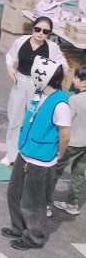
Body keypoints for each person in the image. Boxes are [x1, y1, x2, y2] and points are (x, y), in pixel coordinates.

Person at [4, 56, 70, 250]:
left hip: (41, 159)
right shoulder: (38, 93)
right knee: (14, 193)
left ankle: (34, 237)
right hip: (26, 151)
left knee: (32, 201)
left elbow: (65, 134)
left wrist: (59, 153)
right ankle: (18, 227)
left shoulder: (60, 103)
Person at [2, 16, 65, 165]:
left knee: (33, 120)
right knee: (14, 119)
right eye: (38, 29)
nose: (40, 33)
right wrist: (10, 68)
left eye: (45, 31)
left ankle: (27, 154)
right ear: (33, 28)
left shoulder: (52, 47)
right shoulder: (21, 41)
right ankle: (11, 154)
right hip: (20, 81)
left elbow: (62, 64)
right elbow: (10, 56)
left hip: (38, 86)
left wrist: (53, 77)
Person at [52, 66, 86, 216]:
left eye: (76, 78)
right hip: (85, 145)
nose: (73, 81)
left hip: (71, 144)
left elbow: (66, 123)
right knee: (79, 173)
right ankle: (72, 203)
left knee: (55, 171)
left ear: (83, 81)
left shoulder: (74, 100)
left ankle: (45, 203)